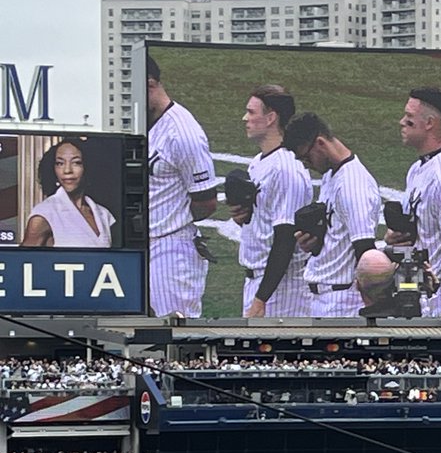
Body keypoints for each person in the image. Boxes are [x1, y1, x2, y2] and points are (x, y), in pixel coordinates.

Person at [283, 112, 382, 317]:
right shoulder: (331, 174)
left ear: (320, 143)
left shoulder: (354, 184)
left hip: (344, 302)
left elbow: (364, 251)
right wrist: (314, 245)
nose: (305, 164)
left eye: (306, 157)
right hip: (325, 298)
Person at [145, 55, 220, 317]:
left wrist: (172, 219)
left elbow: (206, 202)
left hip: (171, 251)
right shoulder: (142, 122)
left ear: (149, 84)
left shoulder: (183, 132)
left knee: (174, 337)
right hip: (144, 246)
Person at [389, 87, 441, 317]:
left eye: (409, 118)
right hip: (415, 294)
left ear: (429, 123)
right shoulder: (417, 170)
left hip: (439, 300)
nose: (401, 122)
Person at [233, 84, 313, 317]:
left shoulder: (286, 169)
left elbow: (285, 240)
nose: (244, 118)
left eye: (251, 112)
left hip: (282, 291)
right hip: (257, 281)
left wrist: (261, 299)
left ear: (270, 118)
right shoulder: (259, 162)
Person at [21, 137, 117, 249]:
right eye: (60, 163)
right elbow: (22, 261)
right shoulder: (45, 213)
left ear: (88, 166)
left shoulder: (103, 214)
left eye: (76, 163)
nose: (67, 171)